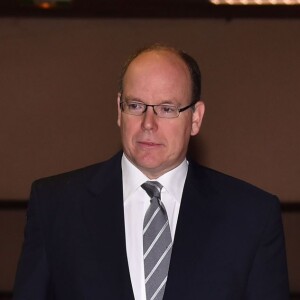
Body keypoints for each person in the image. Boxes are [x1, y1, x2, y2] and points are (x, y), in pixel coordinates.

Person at [13, 44, 289, 300]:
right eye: (136, 106)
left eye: (167, 109)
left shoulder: (251, 217)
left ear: (195, 118)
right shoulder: (56, 206)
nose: (148, 123)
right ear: (119, 110)